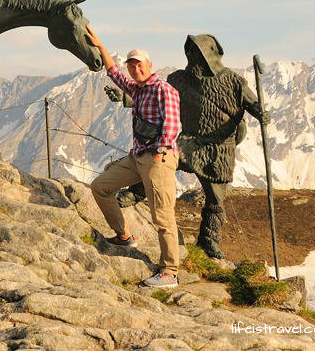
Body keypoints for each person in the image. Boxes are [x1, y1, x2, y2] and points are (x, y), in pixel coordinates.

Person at [85, 24, 182, 288]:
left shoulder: (163, 89)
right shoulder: (137, 89)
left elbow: (172, 125)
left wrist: (161, 152)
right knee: (101, 187)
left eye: (139, 65)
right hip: (137, 156)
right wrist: (101, 47)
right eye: (131, 65)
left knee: (162, 216)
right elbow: (113, 72)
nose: (135, 69)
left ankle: (169, 272)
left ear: (150, 65)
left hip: (157, 158)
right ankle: (124, 236)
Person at [166, 34, 270, 258]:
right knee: (162, 160)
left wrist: (260, 113)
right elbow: (156, 98)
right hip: (189, 141)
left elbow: (252, 103)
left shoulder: (233, 81)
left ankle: (208, 240)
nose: (191, 57)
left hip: (219, 148)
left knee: (215, 200)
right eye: (189, 52)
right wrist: (127, 99)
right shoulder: (178, 80)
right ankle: (134, 192)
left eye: (196, 53)